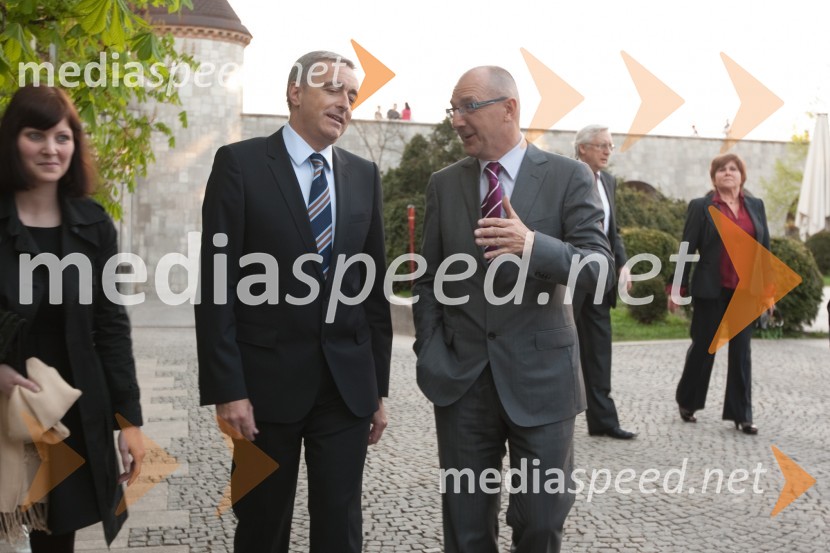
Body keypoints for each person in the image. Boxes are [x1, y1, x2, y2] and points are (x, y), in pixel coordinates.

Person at [195, 51, 392, 553]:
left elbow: (370, 292)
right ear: (295, 92)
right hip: (264, 389)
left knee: (341, 527)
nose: (344, 102)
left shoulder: (364, 175)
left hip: (345, 390)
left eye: (352, 94)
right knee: (261, 525)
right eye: (332, 88)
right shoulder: (239, 165)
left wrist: (377, 388)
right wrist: (228, 389)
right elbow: (216, 287)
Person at [412, 66, 613, 553]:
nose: (457, 120)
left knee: (541, 522)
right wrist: (431, 351)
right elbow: (429, 279)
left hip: (544, 381)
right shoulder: (444, 184)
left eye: (468, 107)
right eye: (452, 109)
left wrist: (533, 244)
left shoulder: (569, 177)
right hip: (462, 384)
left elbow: (599, 269)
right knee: (465, 529)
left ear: (509, 108)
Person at [0, 85, 144, 552]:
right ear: (11, 141)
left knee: (55, 537)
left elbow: (111, 327)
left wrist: (129, 422)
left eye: (62, 137)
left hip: (68, 408)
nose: (50, 148)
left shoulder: (93, 223)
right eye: (35, 135)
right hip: (3, 401)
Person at [669, 153, 770, 434]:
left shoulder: (756, 207)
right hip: (710, 290)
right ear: (713, 177)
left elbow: (765, 251)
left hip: (745, 292)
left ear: (742, 175)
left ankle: (742, 415)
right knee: (704, 349)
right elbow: (686, 248)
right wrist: (677, 287)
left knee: (741, 354)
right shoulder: (702, 207)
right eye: (722, 169)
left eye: (733, 169)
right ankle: (688, 400)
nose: (728, 173)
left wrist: (768, 292)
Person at [572, 125, 636, 440]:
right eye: (601, 145)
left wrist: (623, 263)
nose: (608, 151)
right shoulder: (566, 175)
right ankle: (552, 419)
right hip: (568, 279)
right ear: (582, 148)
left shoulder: (608, 181)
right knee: (560, 348)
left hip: (600, 280)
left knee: (599, 350)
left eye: (610, 145)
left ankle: (603, 421)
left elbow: (614, 231)